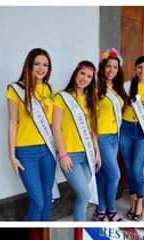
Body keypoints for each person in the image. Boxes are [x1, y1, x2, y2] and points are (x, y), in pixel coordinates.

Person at [7, 48, 57, 221]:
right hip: (26, 151)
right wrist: (11, 156)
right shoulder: (16, 89)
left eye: (45, 65)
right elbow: (13, 122)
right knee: (38, 201)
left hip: (48, 150)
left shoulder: (48, 88)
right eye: (37, 64)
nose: (41, 68)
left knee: (47, 196)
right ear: (29, 64)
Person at [52, 60, 101, 221]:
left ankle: (79, 225)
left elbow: (93, 129)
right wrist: (63, 154)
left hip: (87, 154)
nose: (84, 78)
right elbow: (56, 127)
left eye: (88, 76)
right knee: (84, 194)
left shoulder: (90, 99)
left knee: (83, 196)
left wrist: (97, 152)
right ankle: (81, 228)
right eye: (82, 74)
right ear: (76, 73)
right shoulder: (62, 97)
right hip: (70, 155)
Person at [119, 56, 144, 221]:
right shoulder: (128, 86)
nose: (143, 71)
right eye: (140, 68)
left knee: (137, 168)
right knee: (129, 168)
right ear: (135, 69)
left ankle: (140, 201)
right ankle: (134, 200)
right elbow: (120, 106)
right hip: (127, 128)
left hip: (143, 130)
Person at [94, 48, 127, 221]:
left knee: (104, 175)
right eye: (108, 66)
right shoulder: (96, 89)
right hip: (102, 138)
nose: (111, 70)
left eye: (115, 67)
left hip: (115, 136)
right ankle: (111, 210)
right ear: (102, 67)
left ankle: (100, 211)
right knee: (115, 175)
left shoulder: (117, 89)